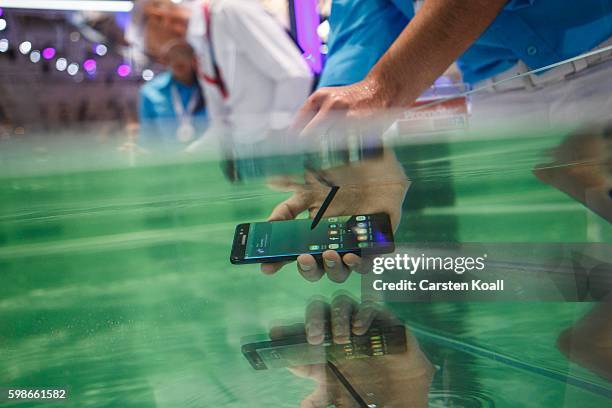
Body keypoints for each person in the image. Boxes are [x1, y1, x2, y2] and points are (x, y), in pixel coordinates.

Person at [294, 0, 612, 134]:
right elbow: (364, 17)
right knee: (521, 261)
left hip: (601, 61)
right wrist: (332, 129)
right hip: (496, 93)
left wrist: (381, 92)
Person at [129, 0, 313, 153]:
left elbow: (294, 75)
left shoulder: (230, 10)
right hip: (254, 160)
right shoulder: (201, 48)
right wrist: (183, 163)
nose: (159, 56)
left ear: (158, 18)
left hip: (282, 154)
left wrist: (276, 138)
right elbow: (222, 127)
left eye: (152, 48)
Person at [138, 40, 208, 148]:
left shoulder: (209, 88)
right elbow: (148, 139)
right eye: (173, 55)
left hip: (208, 158)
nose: (178, 60)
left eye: (183, 54)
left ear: (194, 59)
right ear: (165, 60)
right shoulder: (150, 91)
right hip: (168, 161)